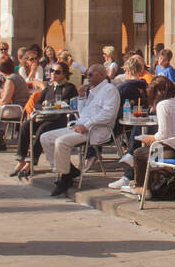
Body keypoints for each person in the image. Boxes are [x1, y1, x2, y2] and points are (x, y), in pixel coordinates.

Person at [112, 76, 175, 200]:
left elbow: (163, 135)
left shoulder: (163, 105)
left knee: (139, 153)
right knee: (152, 151)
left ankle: (142, 188)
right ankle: (152, 181)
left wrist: (149, 138)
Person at [42, 63, 119, 196]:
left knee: (61, 142)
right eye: (86, 74)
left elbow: (108, 114)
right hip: (80, 126)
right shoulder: (93, 90)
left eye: (90, 74)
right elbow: (83, 113)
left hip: (95, 130)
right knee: (45, 137)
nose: (86, 77)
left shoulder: (109, 90)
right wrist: (82, 97)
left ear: (101, 75)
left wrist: (87, 125)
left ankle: (65, 178)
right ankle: (69, 170)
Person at [10, 62, 79, 178]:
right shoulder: (49, 88)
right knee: (27, 125)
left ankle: (30, 162)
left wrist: (49, 105)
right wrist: (44, 106)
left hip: (60, 119)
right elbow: (37, 104)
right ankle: (20, 159)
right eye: (52, 71)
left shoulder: (69, 88)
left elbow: (66, 104)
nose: (53, 74)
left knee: (42, 130)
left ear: (64, 74)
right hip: (46, 117)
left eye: (57, 72)